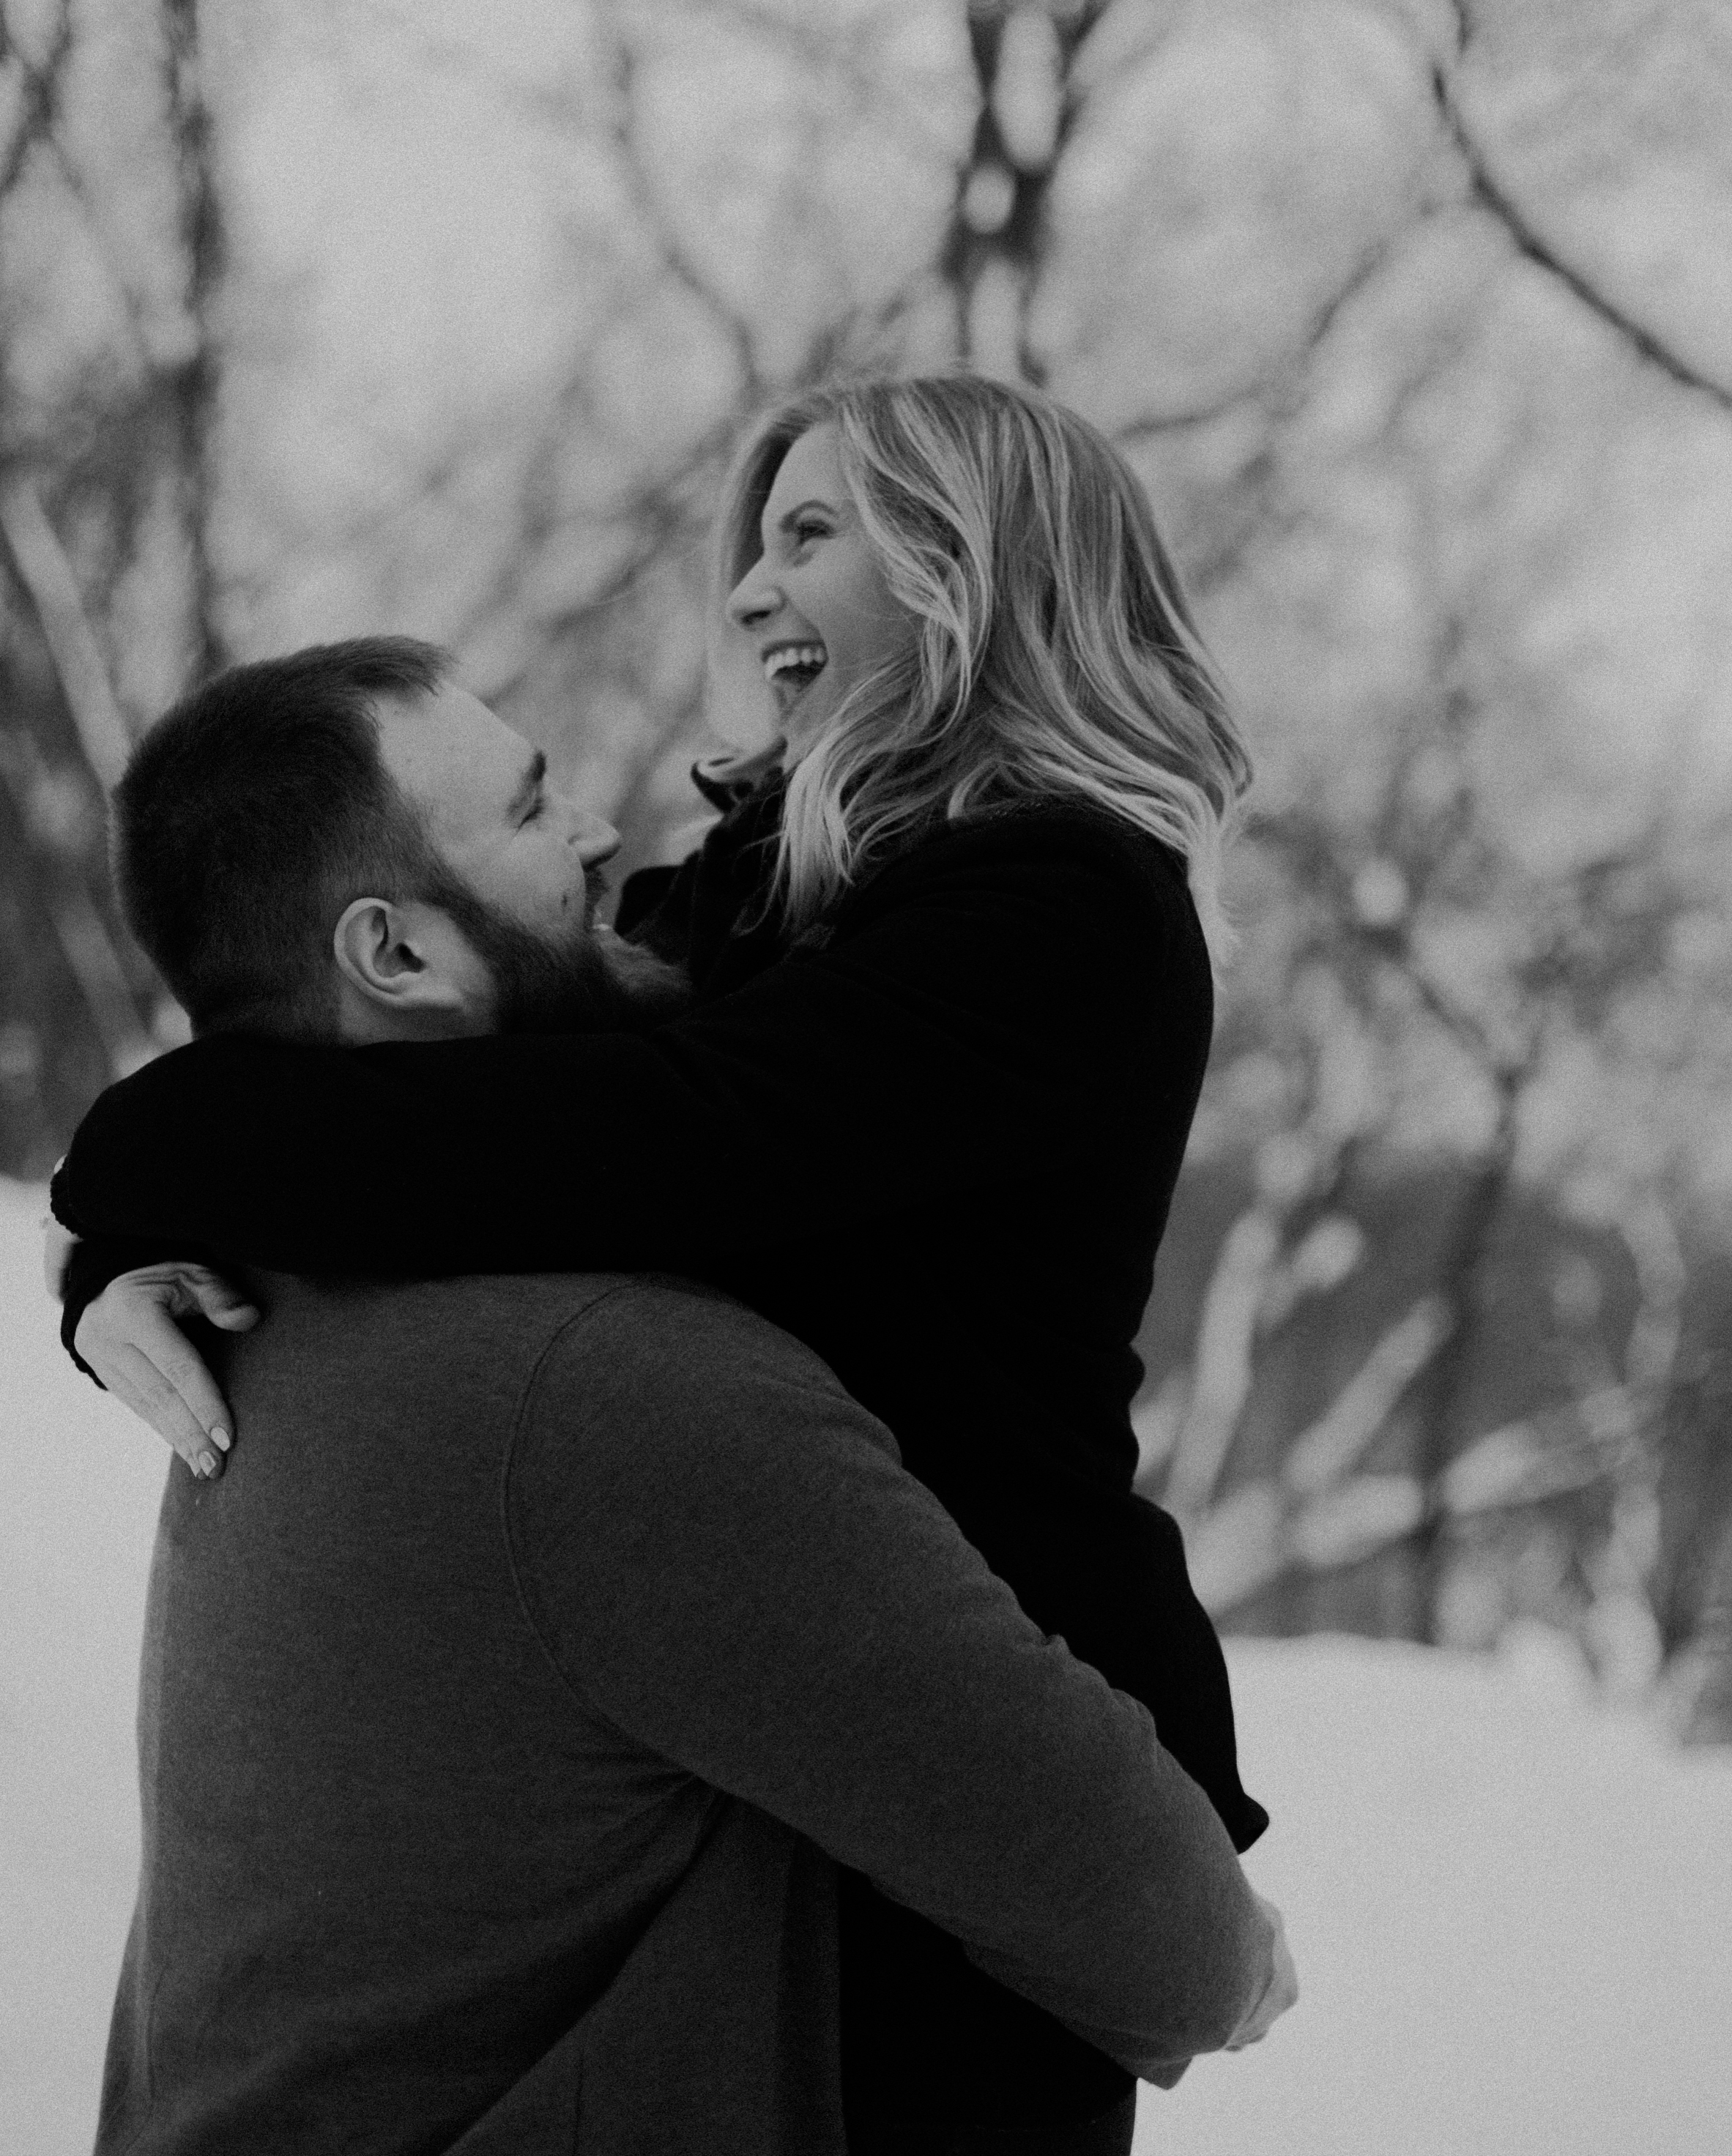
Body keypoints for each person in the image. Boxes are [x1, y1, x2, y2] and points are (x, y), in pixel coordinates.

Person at [56, 373, 1282, 2150]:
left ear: (972, 566)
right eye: (750, 543)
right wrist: (124, 1246)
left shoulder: (1066, 910)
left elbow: (639, 1134)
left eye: (811, 534)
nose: (748, 591)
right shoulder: (767, 884)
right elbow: (431, 1060)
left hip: (1005, 1686)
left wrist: (136, 1155)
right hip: (772, 1687)